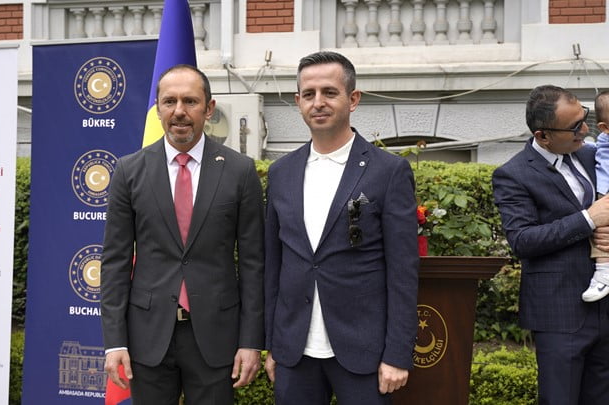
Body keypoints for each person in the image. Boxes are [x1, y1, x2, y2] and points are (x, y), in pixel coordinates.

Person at [100, 64, 265, 405]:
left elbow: (253, 264)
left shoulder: (240, 171)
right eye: (169, 101)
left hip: (216, 336)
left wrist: (251, 341)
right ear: (157, 108)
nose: (179, 111)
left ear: (209, 108)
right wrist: (115, 342)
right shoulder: (129, 171)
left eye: (190, 101)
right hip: (148, 337)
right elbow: (115, 263)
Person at [263, 51, 419, 405]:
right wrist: (273, 345)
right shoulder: (281, 173)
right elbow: (274, 266)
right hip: (294, 353)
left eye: (329, 92)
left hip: (365, 352)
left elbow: (403, 272)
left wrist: (397, 354)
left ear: (353, 99)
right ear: (298, 102)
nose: (318, 102)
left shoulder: (388, 171)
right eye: (309, 94)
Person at [493, 84, 609, 404]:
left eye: (584, 118)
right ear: (543, 135)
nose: (585, 130)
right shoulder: (513, 174)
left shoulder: (593, 155)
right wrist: (588, 219)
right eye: (575, 126)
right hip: (560, 316)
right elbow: (523, 240)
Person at [583, 90, 609, 302]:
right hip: (605, 192)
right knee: (601, 231)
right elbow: (594, 147)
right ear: (605, 128)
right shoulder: (601, 142)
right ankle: (603, 273)